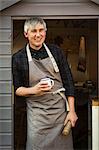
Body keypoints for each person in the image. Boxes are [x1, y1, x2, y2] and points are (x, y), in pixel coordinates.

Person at [12, 17, 78, 150]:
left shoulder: (56, 51)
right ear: (26, 34)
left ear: (45, 32)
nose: (38, 34)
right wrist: (34, 90)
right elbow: (17, 89)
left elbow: (69, 82)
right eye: (34, 31)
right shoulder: (19, 58)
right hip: (37, 115)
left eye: (41, 30)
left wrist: (72, 111)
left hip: (59, 112)